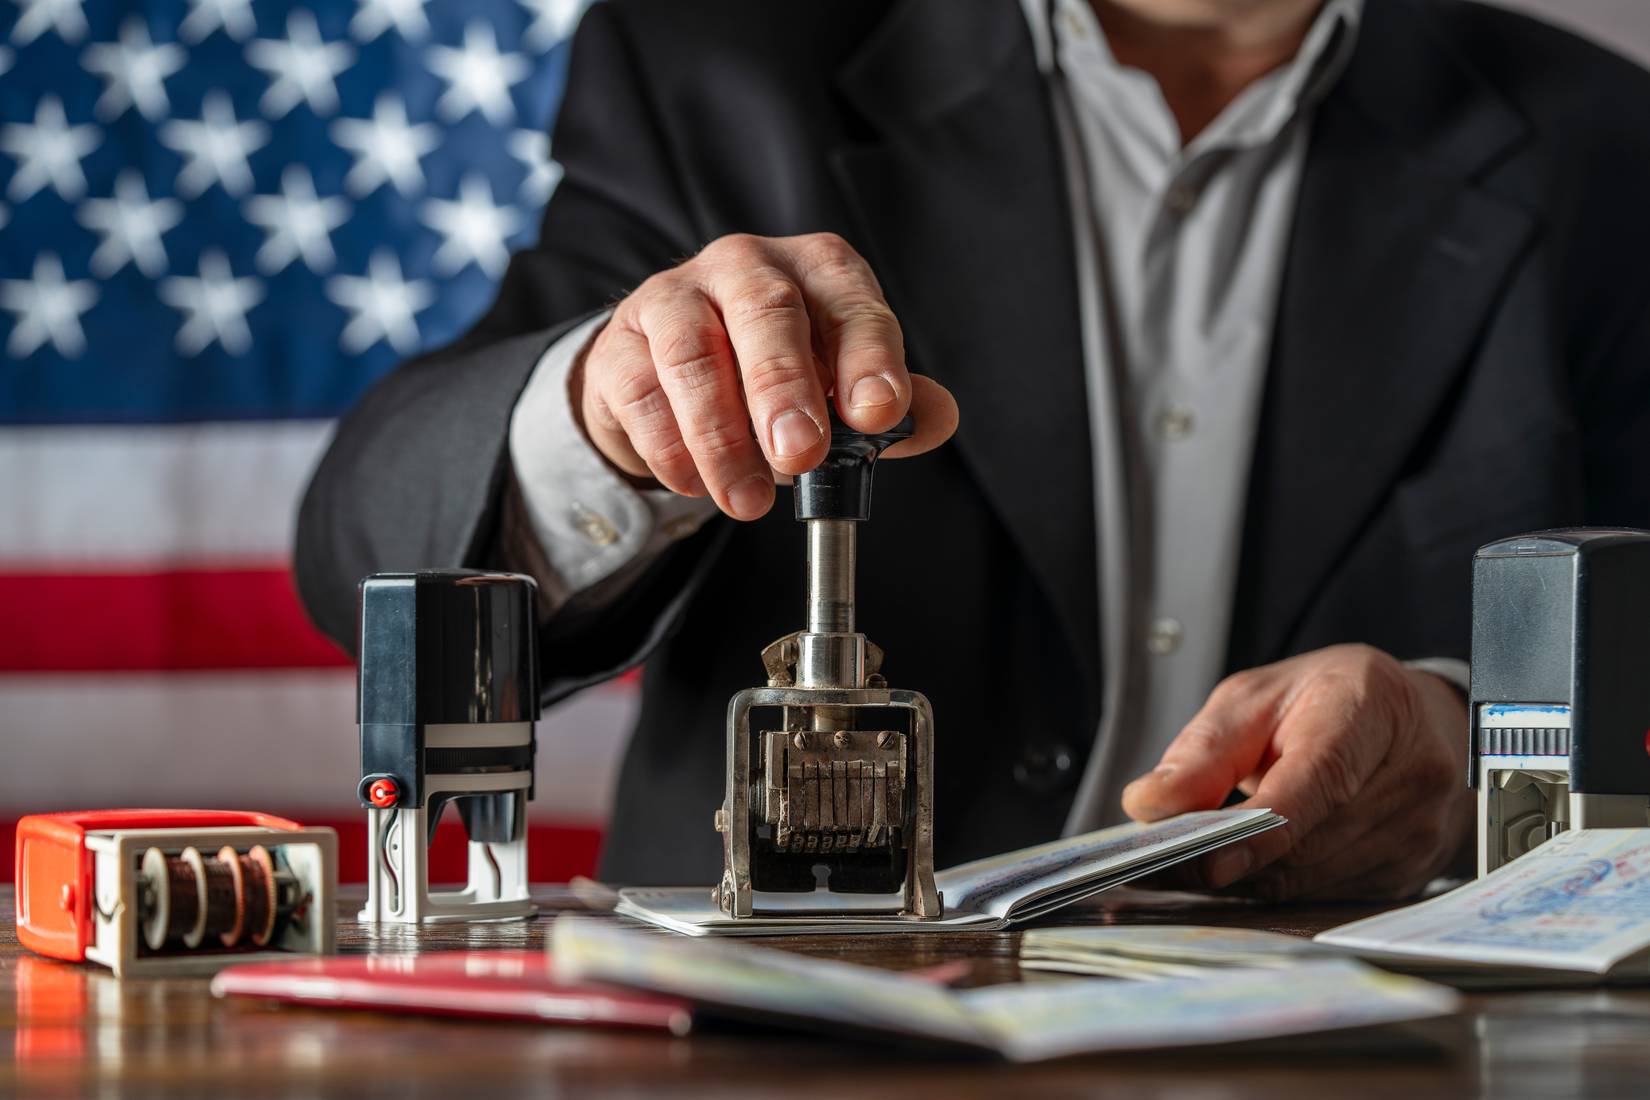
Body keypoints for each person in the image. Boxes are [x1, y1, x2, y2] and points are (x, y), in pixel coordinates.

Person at [296, 0, 1650, 899]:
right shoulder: (718, 53)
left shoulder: (1603, 142)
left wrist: (1467, 735)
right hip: (788, 1058)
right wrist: (603, 409)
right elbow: (372, 544)